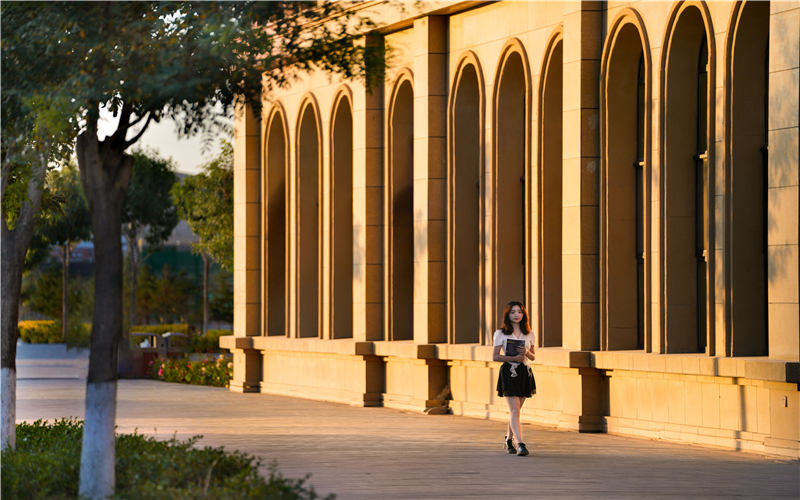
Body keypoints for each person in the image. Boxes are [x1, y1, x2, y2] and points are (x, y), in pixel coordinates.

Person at [493, 300, 536, 456]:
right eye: (513, 312)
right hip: (508, 372)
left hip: (524, 373)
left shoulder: (529, 334)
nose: (516, 314)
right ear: (508, 315)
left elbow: (533, 357)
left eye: (519, 311)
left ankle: (508, 439)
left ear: (523, 314)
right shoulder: (500, 333)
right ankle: (521, 444)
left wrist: (525, 352)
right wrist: (513, 358)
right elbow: (495, 356)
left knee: (516, 411)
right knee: (514, 409)